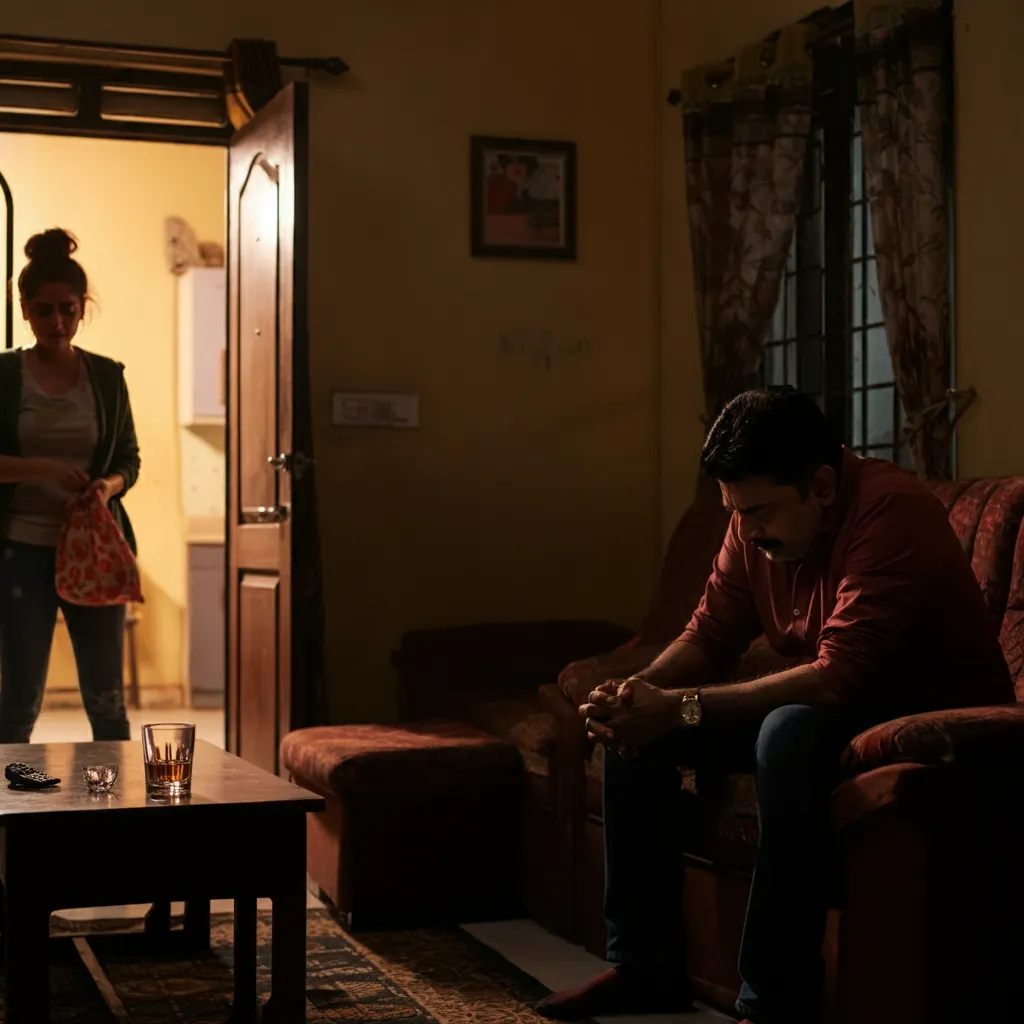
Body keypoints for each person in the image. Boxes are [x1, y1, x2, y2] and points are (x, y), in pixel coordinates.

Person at [536, 387, 1014, 1024]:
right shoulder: (751, 525)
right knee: (643, 730)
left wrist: (679, 708)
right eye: (736, 511)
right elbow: (710, 633)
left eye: (759, 511)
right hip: (842, 695)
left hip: (921, 707)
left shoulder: (890, 509)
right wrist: (638, 696)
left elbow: (843, 674)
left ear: (821, 485)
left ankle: (775, 1002)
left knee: (785, 734)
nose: (747, 528)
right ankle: (644, 967)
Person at [0, 228, 141, 743]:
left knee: (107, 702)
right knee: (17, 702)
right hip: (23, 550)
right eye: (43, 310)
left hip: (94, 550)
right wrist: (41, 469)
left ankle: (110, 817)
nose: (56, 322)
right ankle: (10, 814)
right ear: (24, 309)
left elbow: (130, 458)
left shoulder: (106, 376)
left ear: (83, 308)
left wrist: (107, 487)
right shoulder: (4, 375)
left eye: (68, 309)